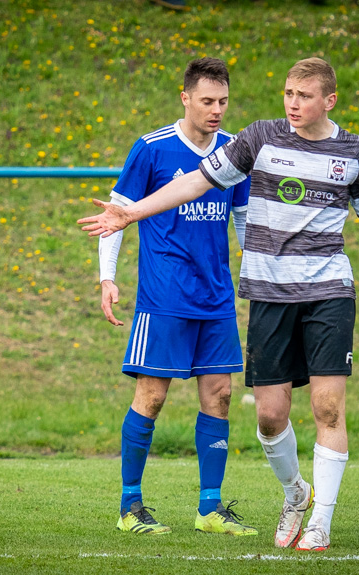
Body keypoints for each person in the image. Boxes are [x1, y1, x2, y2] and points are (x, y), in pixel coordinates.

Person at [81, 57, 359, 550]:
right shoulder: (243, 141)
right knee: (237, 411)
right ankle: (257, 496)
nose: (292, 103)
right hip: (218, 296)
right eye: (288, 93)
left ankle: (283, 517)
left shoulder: (341, 151)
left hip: (294, 292)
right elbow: (192, 183)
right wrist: (125, 228)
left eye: (303, 95)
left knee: (286, 402)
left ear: (330, 100)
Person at [97, 57, 255, 536]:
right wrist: (107, 278)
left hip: (217, 298)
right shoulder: (151, 149)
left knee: (221, 395)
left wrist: (259, 275)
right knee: (152, 395)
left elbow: (244, 221)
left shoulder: (233, 151)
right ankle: (130, 506)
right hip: (163, 297)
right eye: (207, 101)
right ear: (185, 97)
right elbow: (116, 215)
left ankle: (209, 509)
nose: (216, 110)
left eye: (223, 101)